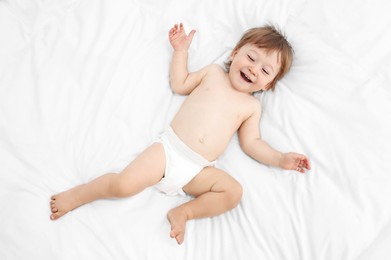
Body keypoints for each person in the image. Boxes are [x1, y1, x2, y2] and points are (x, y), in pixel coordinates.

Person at [49, 23, 311, 245]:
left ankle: (184, 213)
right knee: (123, 185)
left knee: (233, 192)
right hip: (169, 151)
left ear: (269, 84)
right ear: (235, 53)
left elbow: (252, 143)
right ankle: (80, 194)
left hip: (198, 171)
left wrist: (280, 159)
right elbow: (180, 83)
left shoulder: (251, 107)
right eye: (251, 58)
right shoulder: (212, 74)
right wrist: (181, 52)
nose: (254, 69)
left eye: (265, 71)